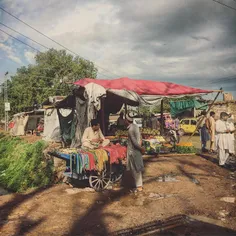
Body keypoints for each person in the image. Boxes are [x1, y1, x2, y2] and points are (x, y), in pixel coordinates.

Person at [126, 114, 145, 192]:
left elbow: (134, 143)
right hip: (136, 150)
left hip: (133, 151)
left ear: (126, 120)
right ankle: (138, 185)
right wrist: (141, 147)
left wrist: (141, 149)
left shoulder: (130, 130)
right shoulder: (136, 126)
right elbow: (140, 138)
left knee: (135, 169)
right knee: (137, 168)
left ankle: (139, 187)